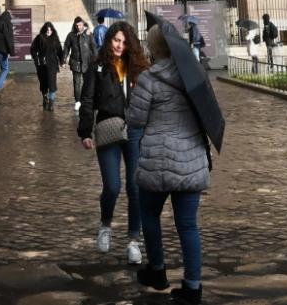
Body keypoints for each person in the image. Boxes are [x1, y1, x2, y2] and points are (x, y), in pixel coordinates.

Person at [127, 23, 214, 303]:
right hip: (191, 160)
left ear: (153, 48)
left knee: (150, 216)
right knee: (188, 225)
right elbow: (208, 111)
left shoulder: (149, 79)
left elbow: (135, 120)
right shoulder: (195, 75)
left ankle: (158, 270)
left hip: (157, 159)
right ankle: (192, 286)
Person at [78, 22, 148, 265]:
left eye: (124, 41)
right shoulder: (97, 68)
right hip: (108, 128)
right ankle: (105, 226)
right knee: (112, 186)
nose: (119, 45)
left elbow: (151, 100)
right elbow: (87, 100)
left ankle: (133, 241)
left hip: (136, 131)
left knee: (135, 188)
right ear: (109, 40)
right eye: (116, 40)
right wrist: (85, 131)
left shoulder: (138, 68)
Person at [63, 17, 96, 110]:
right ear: (74, 25)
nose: (78, 27)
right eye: (76, 25)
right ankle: (77, 101)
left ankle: (86, 100)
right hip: (75, 63)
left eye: (80, 25)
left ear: (83, 24)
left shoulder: (89, 34)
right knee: (77, 83)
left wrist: (97, 61)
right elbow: (66, 47)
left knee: (87, 83)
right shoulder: (71, 35)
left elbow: (94, 48)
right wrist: (64, 60)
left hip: (87, 63)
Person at [31, 20, 64, 110]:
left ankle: (51, 103)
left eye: (50, 30)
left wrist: (62, 61)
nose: (49, 31)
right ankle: (45, 98)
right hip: (41, 65)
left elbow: (60, 51)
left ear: (53, 30)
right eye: (47, 29)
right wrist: (36, 59)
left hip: (52, 65)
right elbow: (33, 49)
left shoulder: (55, 39)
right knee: (43, 84)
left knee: (52, 84)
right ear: (44, 30)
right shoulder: (39, 38)